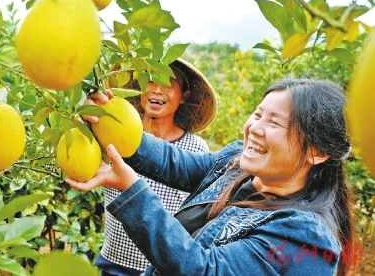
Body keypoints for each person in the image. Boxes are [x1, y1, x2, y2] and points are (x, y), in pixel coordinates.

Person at [68, 78, 356, 276]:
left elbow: (205, 269)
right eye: (257, 115)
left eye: (275, 122)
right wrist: (115, 127)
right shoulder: (237, 164)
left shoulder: (305, 235)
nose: (255, 128)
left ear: (318, 152)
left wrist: (132, 190)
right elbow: (176, 163)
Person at [95, 58, 217, 276]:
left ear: (183, 97)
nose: (158, 90)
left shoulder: (195, 150)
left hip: (160, 269)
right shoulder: (112, 133)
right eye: (150, 81)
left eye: (169, 83)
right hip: (114, 263)